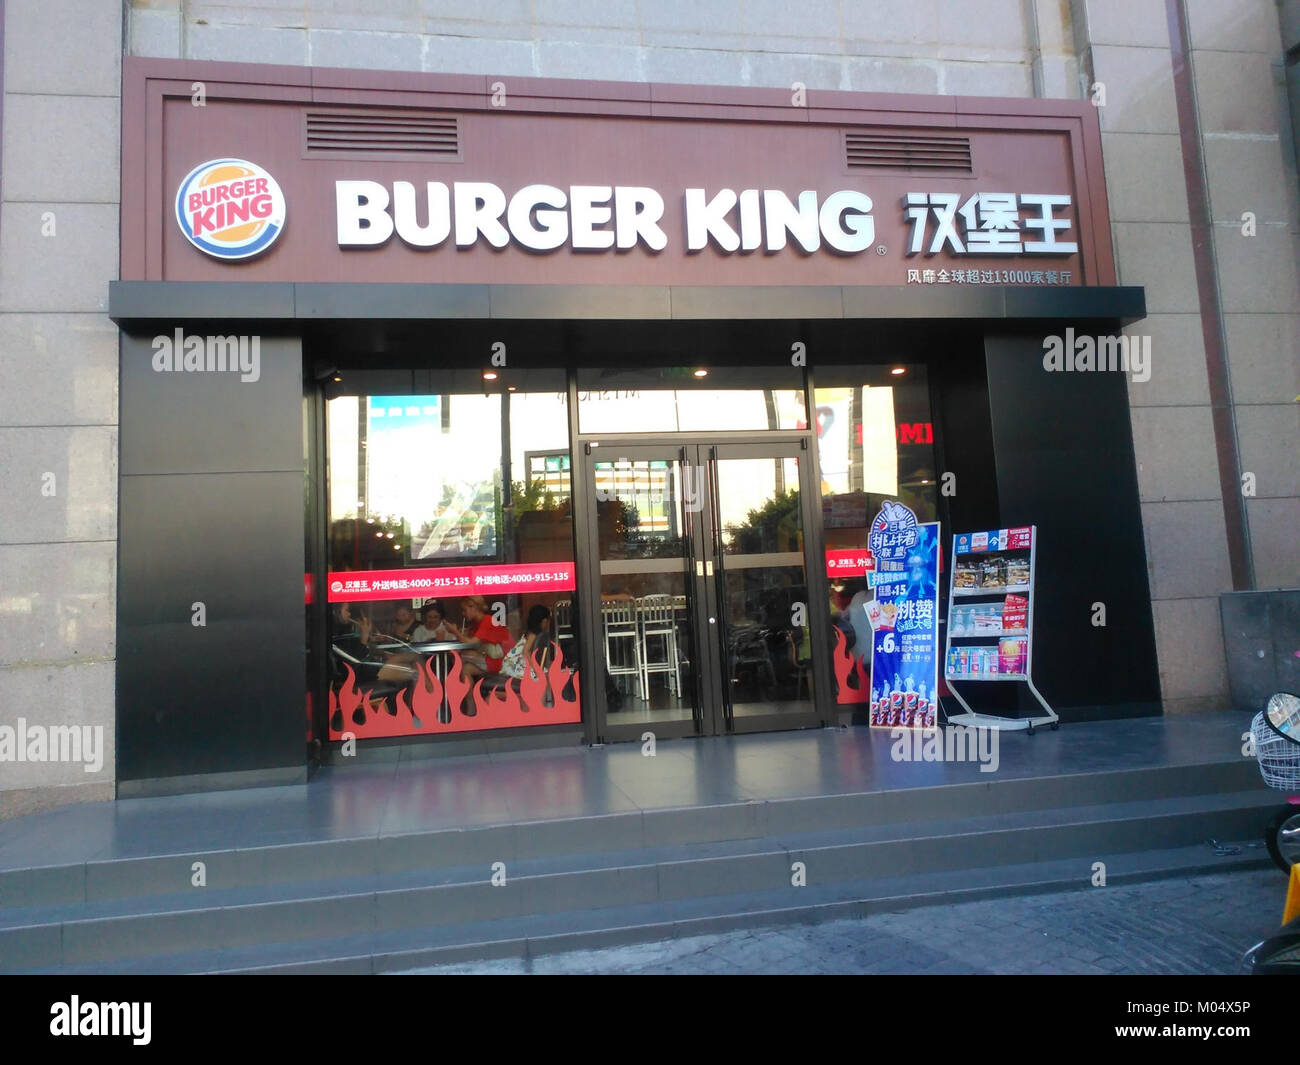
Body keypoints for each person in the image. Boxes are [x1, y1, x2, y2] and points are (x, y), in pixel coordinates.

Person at [444, 595, 512, 682]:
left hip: (499, 661)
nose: (463, 613)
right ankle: (468, 694)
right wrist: (457, 631)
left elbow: (469, 642)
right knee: (465, 668)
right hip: (490, 658)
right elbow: (467, 637)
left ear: (473, 607)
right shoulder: (477, 623)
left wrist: (455, 632)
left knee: (457, 656)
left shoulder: (487, 621)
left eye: (465, 610)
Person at [502, 604, 553, 682]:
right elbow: (525, 651)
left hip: (517, 663)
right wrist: (535, 668)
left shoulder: (531, 633)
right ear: (544, 621)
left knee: (545, 673)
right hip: (514, 665)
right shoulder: (533, 634)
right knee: (539, 677)